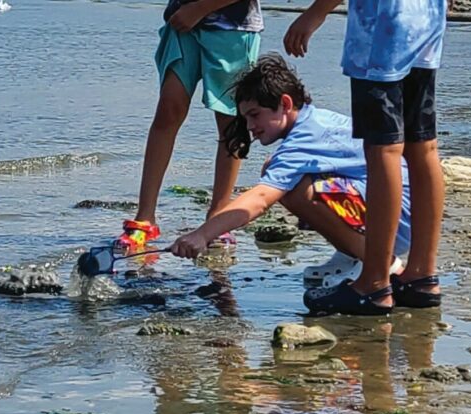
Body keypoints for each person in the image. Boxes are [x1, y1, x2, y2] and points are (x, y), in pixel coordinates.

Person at [170, 56, 413, 280]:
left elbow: (261, 199)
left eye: (255, 115)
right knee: (277, 171)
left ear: (285, 103)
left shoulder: (302, 140)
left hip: (394, 218)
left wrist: (203, 234)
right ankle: (353, 253)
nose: (250, 126)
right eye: (245, 119)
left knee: (292, 186)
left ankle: (380, 263)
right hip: (399, 209)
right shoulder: (315, 121)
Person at [283, 0, 447, 316]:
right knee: (422, 145)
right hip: (426, 19)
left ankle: (373, 283)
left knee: (384, 148)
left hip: (382, 27)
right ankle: (422, 275)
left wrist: (316, 13)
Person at [114, 0, 263, 251]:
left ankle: (218, 214)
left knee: (231, 121)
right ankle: (145, 216)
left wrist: (199, 9)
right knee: (168, 110)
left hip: (233, 28)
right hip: (182, 24)